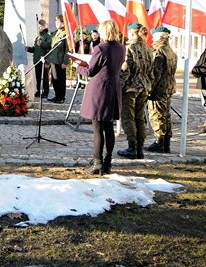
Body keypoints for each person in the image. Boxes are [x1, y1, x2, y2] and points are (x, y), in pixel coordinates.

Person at [75, 20, 126, 175]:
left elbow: (90, 71)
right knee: (109, 127)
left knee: (97, 129)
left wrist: (77, 65)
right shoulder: (121, 48)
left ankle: (98, 162)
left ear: (104, 32)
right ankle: (108, 161)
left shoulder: (100, 48)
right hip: (113, 88)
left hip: (100, 89)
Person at [117, 22, 154, 159]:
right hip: (144, 87)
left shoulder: (129, 48)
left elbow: (125, 70)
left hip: (130, 88)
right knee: (140, 118)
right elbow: (151, 71)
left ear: (131, 32)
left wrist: (119, 86)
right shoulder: (147, 48)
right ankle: (140, 148)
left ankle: (132, 147)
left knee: (128, 118)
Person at [145, 27, 177, 153]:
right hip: (169, 86)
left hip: (159, 88)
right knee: (166, 114)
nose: (152, 38)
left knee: (157, 114)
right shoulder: (170, 51)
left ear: (160, 37)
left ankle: (159, 141)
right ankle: (166, 141)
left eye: (154, 36)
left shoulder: (159, 52)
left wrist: (149, 89)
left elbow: (155, 74)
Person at [25, 19, 51, 98]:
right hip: (37, 59)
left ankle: (46, 91)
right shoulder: (37, 37)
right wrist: (29, 49)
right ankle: (39, 90)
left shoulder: (47, 36)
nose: (39, 28)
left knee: (44, 77)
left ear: (44, 27)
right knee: (38, 76)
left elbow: (49, 46)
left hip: (43, 59)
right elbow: (35, 49)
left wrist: (41, 44)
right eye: (38, 27)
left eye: (40, 27)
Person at [46, 15, 68, 104]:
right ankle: (57, 96)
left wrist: (65, 61)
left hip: (60, 61)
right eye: (56, 22)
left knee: (60, 80)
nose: (57, 23)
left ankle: (61, 97)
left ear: (63, 23)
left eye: (59, 22)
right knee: (54, 80)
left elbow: (67, 49)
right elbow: (50, 45)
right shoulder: (55, 33)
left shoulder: (65, 33)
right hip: (53, 60)